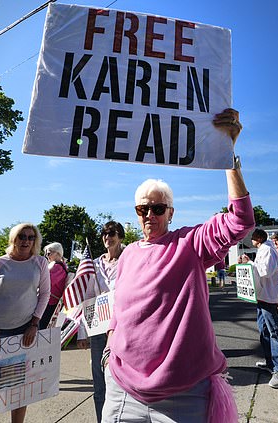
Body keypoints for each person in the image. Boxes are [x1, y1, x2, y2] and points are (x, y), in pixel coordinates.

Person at [102, 109, 254, 422]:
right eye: (142, 208)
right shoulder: (128, 253)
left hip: (182, 394)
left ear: (171, 212)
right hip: (121, 389)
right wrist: (108, 352)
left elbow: (240, 221)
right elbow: (119, 309)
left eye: (157, 207)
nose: (149, 214)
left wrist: (228, 155)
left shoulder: (190, 244)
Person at [0, 223, 50, 423]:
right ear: (13, 239)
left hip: (24, 331)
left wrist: (35, 323)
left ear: (35, 241)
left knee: (19, 387)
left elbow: (45, 294)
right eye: (22, 236)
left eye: (30, 237)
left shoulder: (40, 263)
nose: (26, 241)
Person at [76, 221, 125, 422]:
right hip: (99, 328)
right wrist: (82, 332)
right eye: (104, 234)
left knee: (124, 379)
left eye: (112, 233)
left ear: (120, 236)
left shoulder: (129, 259)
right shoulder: (94, 265)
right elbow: (85, 298)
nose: (107, 237)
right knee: (100, 382)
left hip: (124, 327)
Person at [248, 229, 278, 388]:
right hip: (262, 296)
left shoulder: (268, 250)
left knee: (273, 332)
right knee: (264, 331)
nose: (250, 241)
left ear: (257, 238)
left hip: (269, 297)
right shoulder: (264, 249)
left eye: (252, 238)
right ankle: (270, 363)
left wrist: (249, 264)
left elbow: (265, 271)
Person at [40, 242, 68, 330]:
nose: (46, 256)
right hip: (50, 302)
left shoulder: (57, 267)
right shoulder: (60, 266)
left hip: (50, 303)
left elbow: (46, 282)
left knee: (42, 329)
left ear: (58, 253)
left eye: (48, 253)